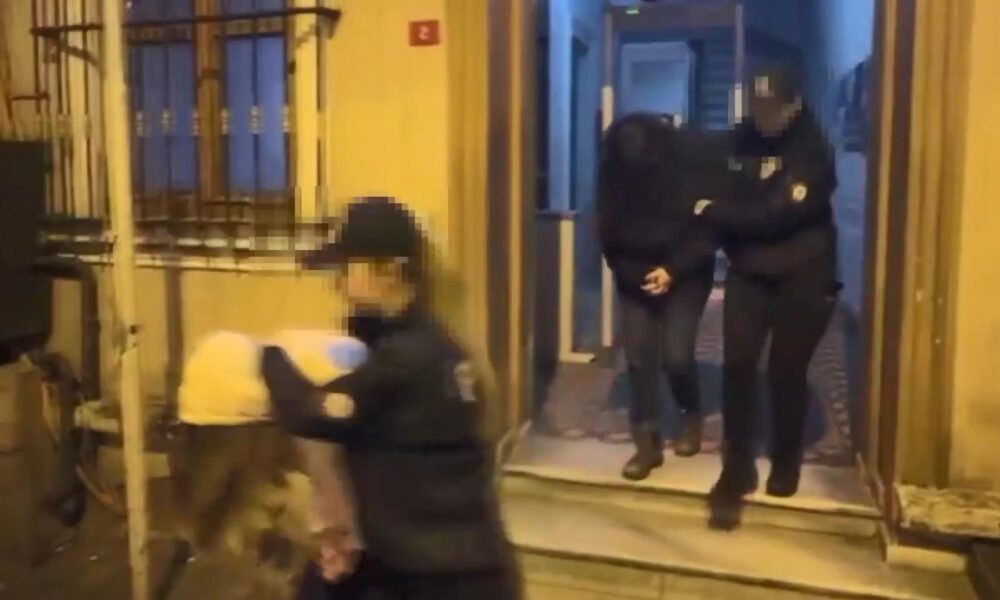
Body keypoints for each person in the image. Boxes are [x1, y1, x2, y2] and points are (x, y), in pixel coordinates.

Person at [261, 197, 522, 599]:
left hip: (439, 582)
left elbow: (308, 412)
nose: (337, 282)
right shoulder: (437, 344)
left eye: (346, 268)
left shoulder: (406, 359)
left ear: (387, 271)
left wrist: (265, 355)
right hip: (452, 570)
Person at [693, 65, 841, 502]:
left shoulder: (812, 151)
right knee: (737, 366)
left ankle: (785, 459)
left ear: (793, 105)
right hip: (749, 272)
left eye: (771, 109)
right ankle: (737, 465)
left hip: (804, 273)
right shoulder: (743, 136)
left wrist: (713, 210)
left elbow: (772, 217)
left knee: (786, 371)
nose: (762, 117)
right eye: (757, 107)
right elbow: (712, 171)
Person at [597, 113, 720, 481]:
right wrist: (635, 276)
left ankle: (691, 416)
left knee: (677, 357)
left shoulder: (687, 172)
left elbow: (705, 234)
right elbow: (608, 236)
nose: (631, 155)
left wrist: (671, 271)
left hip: (686, 275)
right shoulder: (613, 177)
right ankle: (646, 445)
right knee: (638, 359)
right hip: (634, 277)